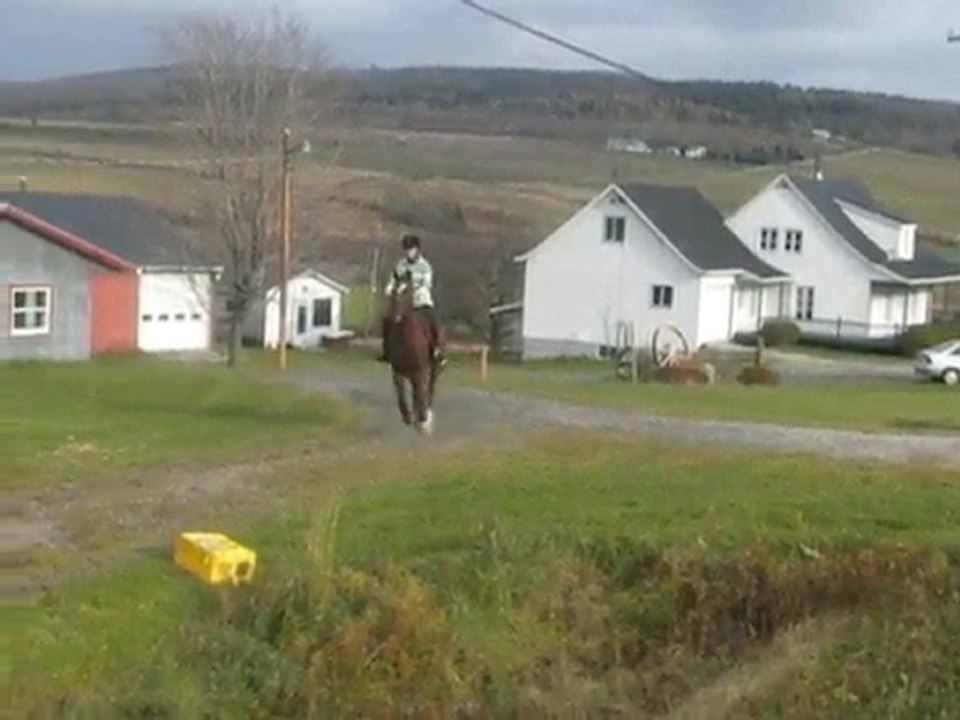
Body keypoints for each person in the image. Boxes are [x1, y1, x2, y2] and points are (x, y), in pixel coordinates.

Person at [380, 234, 446, 367]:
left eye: (411, 249)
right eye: (406, 249)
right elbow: (393, 279)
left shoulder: (425, 266)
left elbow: (426, 284)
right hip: (403, 300)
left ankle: (437, 350)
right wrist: (390, 288)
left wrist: (412, 290)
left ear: (417, 250)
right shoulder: (400, 265)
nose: (408, 252)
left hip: (421, 300)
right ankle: (387, 351)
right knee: (388, 320)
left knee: (433, 321)